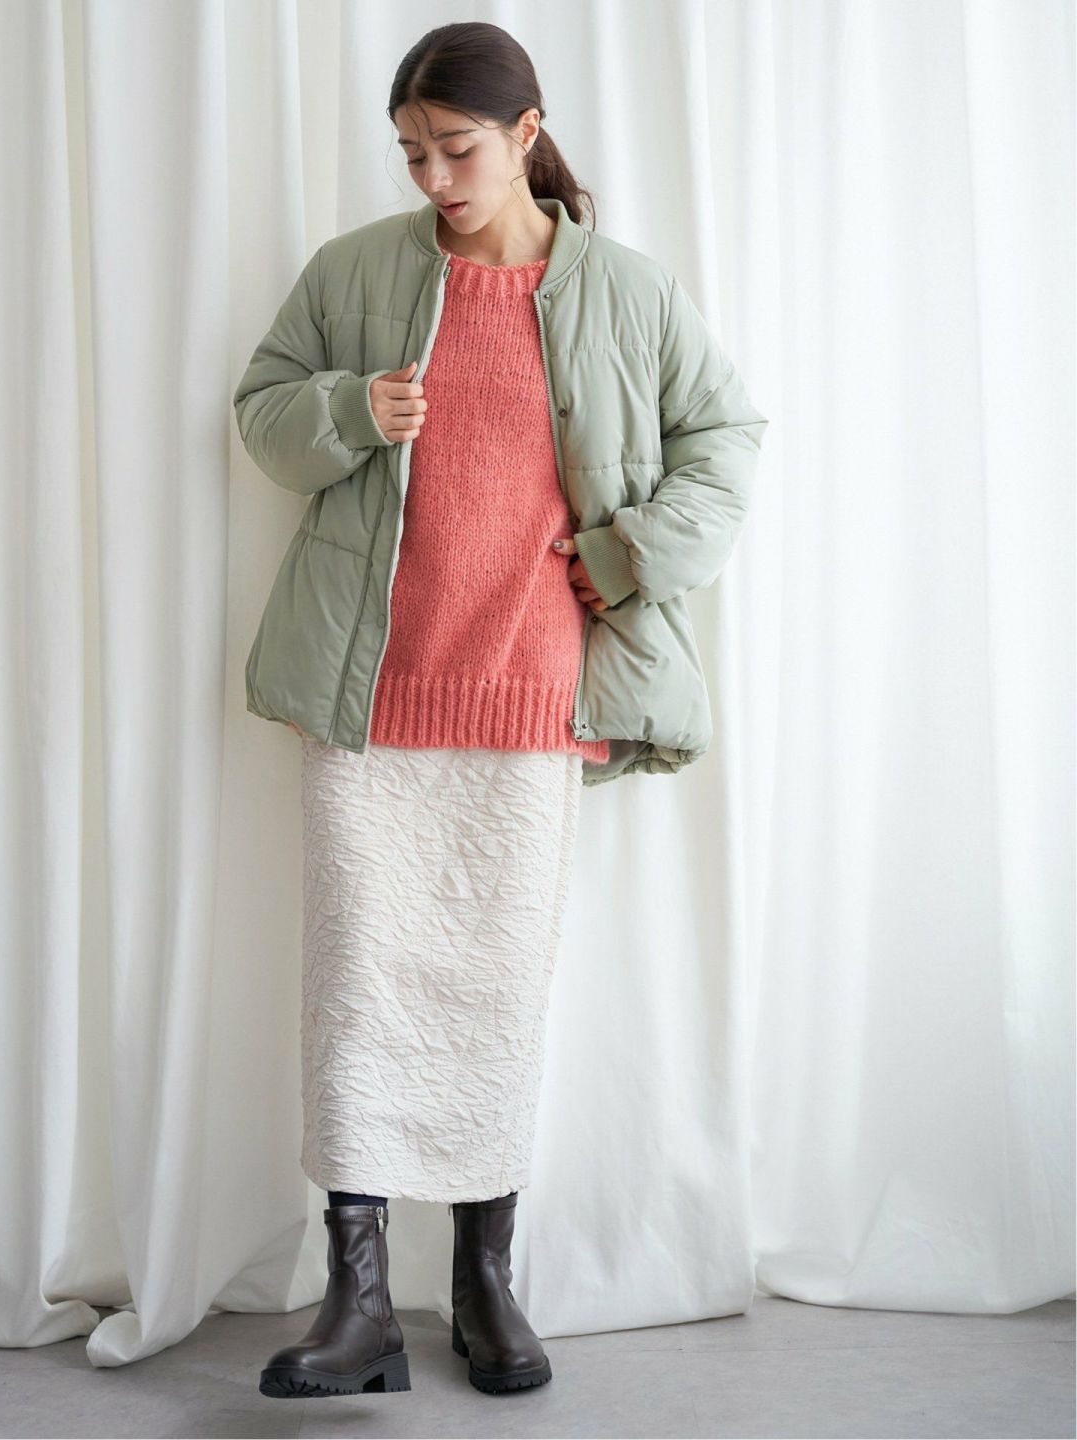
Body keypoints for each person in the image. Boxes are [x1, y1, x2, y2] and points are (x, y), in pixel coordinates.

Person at [233, 20, 768, 1403]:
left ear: (527, 132)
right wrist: (352, 407)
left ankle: (483, 1286)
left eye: (455, 149)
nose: (432, 178)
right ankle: (358, 1308)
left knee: (493, 990)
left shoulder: (630, 292)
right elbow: (263, 411)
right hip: (369, 689)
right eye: (411, 153)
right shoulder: (355, 272)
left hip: (531, 692)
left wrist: (630, 552)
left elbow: (727, 436)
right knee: (357, 985)